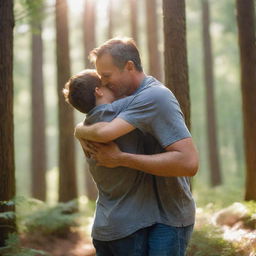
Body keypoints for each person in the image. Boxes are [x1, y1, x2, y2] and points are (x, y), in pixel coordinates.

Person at [74, 37, 199, 256]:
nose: (102, 83)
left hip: (168, 217)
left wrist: (121, 158)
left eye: (106, 76)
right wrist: (79, 129)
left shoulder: (153, 96)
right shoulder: (120, 102)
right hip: (140, 219)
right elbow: (95, 122)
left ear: (129, 67)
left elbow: (189, 163)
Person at [63, 69, 161, 256]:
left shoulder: (88, 124)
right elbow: (152, 95)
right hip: (129, 228)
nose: (113, 87)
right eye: (107, 84)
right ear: (98, 91)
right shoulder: (119, 111)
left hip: (102, 229)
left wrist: (78, 129)